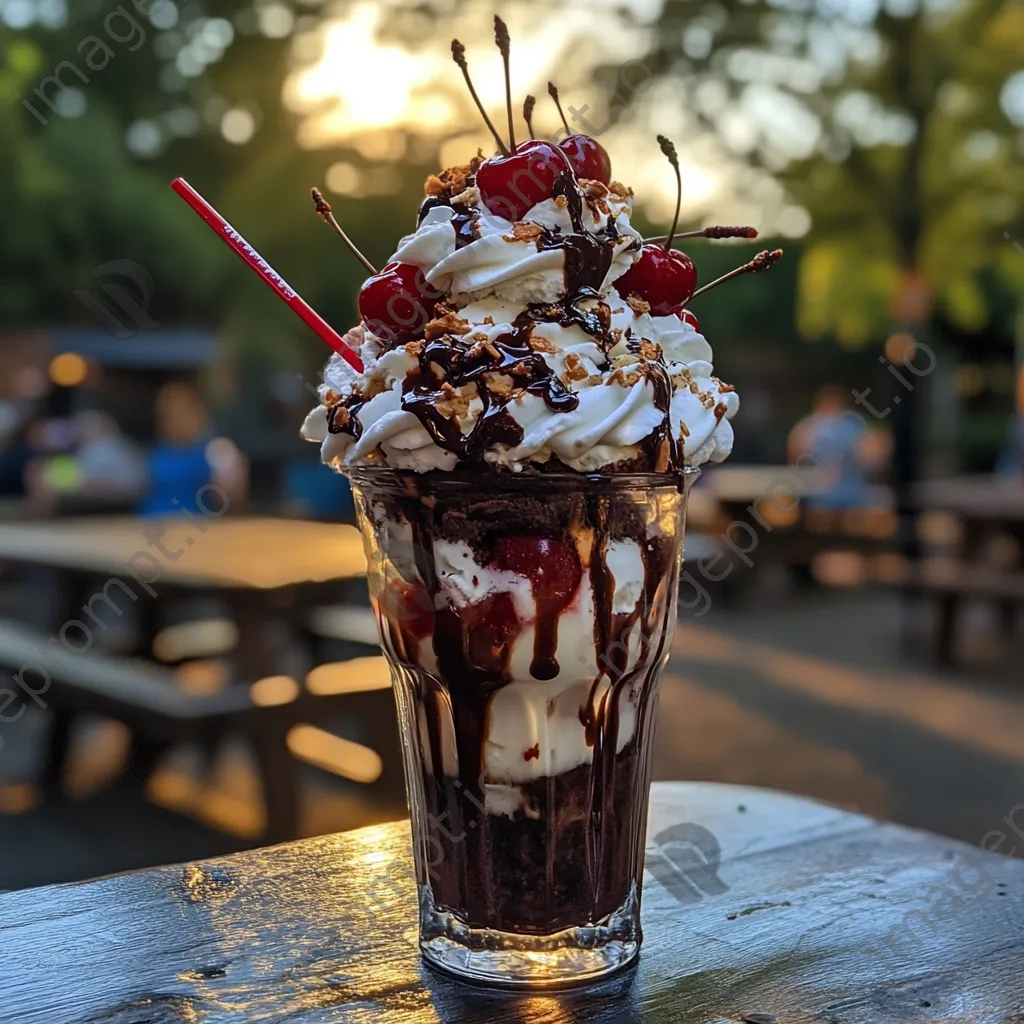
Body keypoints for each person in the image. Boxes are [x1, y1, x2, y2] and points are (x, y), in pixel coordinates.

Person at [138, 382, 215, 516]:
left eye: (179, 413)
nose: (175, 420)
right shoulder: (155, 453)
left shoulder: (209, 453)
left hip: (193, 526)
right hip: (151, 524)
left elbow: (226, 495)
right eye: (169, 413)